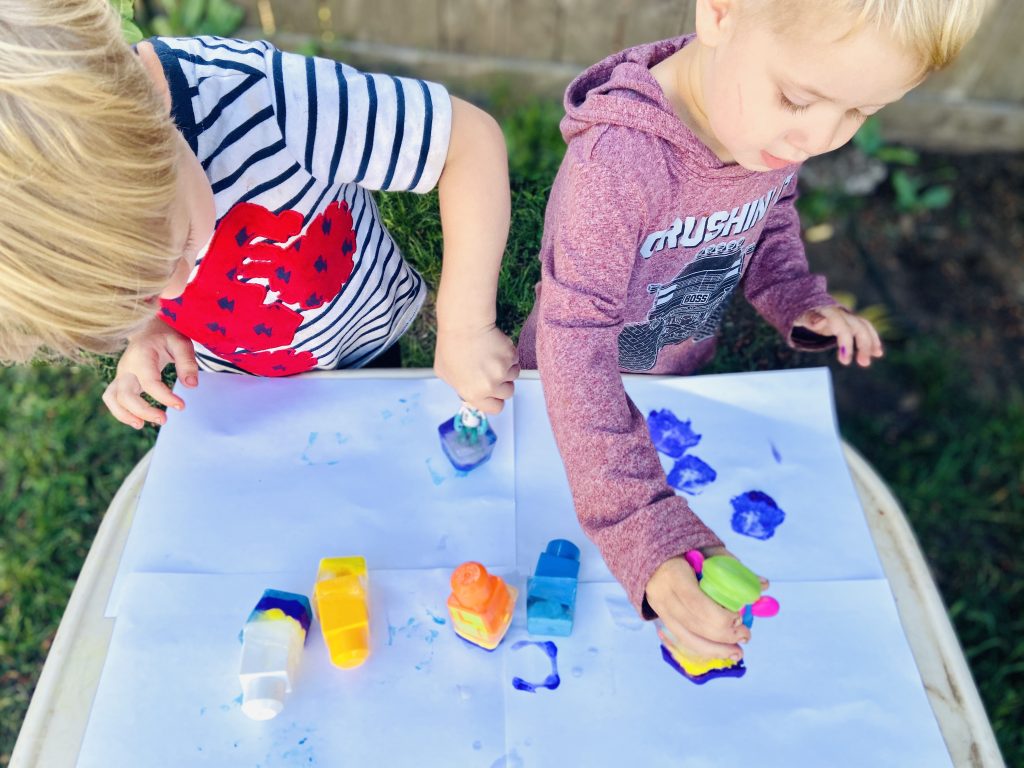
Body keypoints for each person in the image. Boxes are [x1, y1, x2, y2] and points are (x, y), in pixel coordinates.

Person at [516, 0, 985, 663]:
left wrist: (794, 294)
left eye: (860, 113)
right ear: (721, 12)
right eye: (800, 99)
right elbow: (575, 342)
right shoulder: (618, 164)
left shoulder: (758, 121)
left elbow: (772, 213)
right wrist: (640, 524)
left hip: (670, 386)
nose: (818, 138)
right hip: (566, 406)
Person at [0, 0, 518, 428]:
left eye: (179, 244)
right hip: (241, 373)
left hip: (361, 330)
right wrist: (148, 327)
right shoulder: (120, 227)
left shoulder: (267, 99)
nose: (177, 288)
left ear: (156, 122)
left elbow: (466, 142)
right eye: (138, 293)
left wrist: (464, 329)